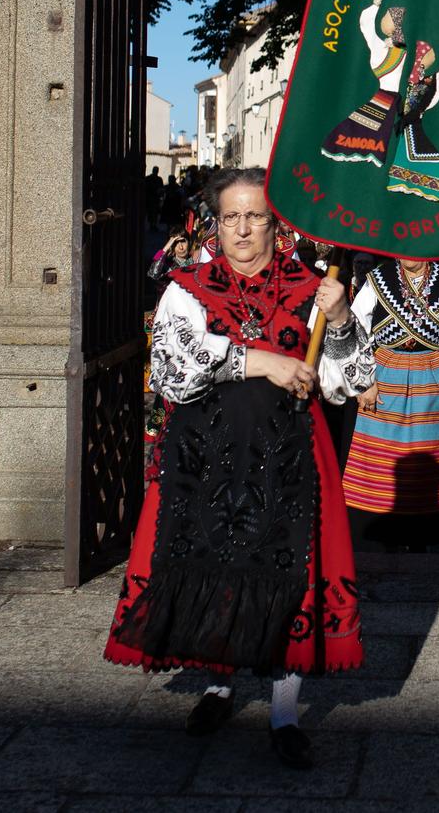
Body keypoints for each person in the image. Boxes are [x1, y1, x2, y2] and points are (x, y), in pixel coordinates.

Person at [105, 166, 373, 771]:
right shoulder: (187, 287)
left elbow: (349, 382)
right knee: (218, 569)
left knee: (289, 581)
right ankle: (219, 688)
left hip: (291, 458)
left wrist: (344, 322)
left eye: (256, 216)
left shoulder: (315, 289)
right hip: (206, 459)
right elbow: (174, 369)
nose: (243, 229)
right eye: (232, 217)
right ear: (214, 224)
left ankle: (284, 712)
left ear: (277, 226)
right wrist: (262, 362)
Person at [340, 254, 439, 548]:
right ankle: (376, 532)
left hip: (434, 380)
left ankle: (422, 536)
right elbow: (355, 327)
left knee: (427, 458)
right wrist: (363, 382)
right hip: (382, 379)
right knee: (379, 461)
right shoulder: (377, 280)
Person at [320, 0, 406, 168]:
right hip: (385, 97)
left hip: (398, 100)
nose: (385, 21)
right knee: (365, 129)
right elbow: (366, 25)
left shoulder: (404, 50)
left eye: (388, 18)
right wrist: (375, 5)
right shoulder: (380, 46)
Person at [383, 31, 439, 203]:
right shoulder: (408, 78)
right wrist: (391, 45)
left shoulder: (431, 80)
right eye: (431, 54)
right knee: (419, 153)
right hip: (402, 123)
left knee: (424, 153)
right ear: (424, 57)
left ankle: (411, 181)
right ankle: (406, 180)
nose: (434, 56)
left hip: (411, 124)